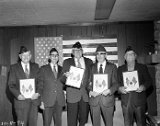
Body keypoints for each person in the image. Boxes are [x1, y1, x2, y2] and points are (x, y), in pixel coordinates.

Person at [117, 46, 152, 126]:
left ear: (135, 56)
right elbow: (117, 83)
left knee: (141, 123)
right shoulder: (120, 69)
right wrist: (120, 88)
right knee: (128, 124)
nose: (130, 56)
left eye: (132, 54)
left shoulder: (142, 67)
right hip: (126, 102)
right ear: (125, 57)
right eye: (128, 55)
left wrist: (143, 87)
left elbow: (149, 81)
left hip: (139, 101)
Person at [60, 42, 93, 126]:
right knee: (71, 122)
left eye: (79, 50)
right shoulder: (67, 62)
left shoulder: (89, 62)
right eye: (75, 50)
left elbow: (92, 77)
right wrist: (65, 76)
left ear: (82, 51)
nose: (77, 52)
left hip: (85, 96)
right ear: (72, 52)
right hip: (72, 96)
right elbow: (62, 79)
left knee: (83, 121)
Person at [8, 46, 42, 126]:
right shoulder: (14, 67)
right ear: (20, 56)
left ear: (30, 56)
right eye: (23, 55)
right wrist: (18, 95)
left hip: (34, 102)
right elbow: (11, 85)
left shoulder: (36, 66)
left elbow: (40, 82)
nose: (26, 57)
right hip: (21, 103)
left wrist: (38, 93)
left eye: (28, 55)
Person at [88, 45, 118, 126]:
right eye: (97, 54)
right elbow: (88, 83)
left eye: (102, 53)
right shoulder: (91, 67)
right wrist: (90, 91)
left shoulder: (112, 67)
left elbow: (116, 83)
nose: (99, 56)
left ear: (105, 55)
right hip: (94, 100)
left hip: (108, 100)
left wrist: (110, 90)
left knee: (109, 124)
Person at [38, 48, 65, 126]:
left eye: (56, 55)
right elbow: (40, 86)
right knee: (46, 123)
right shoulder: (43, 69)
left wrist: (69, 78)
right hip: (47, 102)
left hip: (59, 101)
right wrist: (41, 101)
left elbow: (64, 84)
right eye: (52, 55)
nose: (54, 57)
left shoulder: (62, 69)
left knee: (58, 123)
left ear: (58, 57)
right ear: (49, 57)